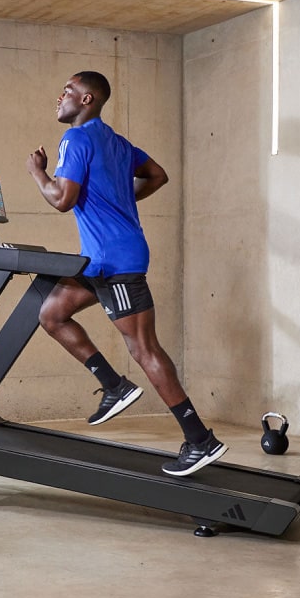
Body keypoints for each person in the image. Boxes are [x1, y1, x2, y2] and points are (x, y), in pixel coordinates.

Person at [25, 70, 227, 476]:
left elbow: (62, 199)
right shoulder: (117, 143)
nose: (59, 97)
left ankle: (200, 440)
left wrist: (37, 172)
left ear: (88, 100)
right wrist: (118, 197)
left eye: (67, 91)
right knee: (51, 314)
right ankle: (114, 385)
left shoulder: (77, 139)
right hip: (98, 260)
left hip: (115, 263)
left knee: (144, 349)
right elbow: (158, 175)